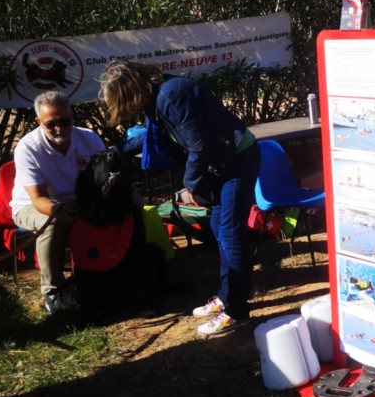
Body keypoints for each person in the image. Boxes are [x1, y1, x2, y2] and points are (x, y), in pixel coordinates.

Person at [98, 61, 261, 337]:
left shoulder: (171, 95)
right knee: (222, 232)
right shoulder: (157, 96)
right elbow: (154, 136)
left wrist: (191, 186)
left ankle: (236, 311)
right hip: (223, 163)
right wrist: (118, 151)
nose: (124, 110)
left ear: (130, 91)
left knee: (230, 235)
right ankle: (226, 295)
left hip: (237, 161)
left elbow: (200, 146)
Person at [10, 91, 105, 312]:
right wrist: (59, 210)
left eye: (64, 122)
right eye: (51, 124)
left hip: (79, 199)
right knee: (53, 222)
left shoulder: (89, 138)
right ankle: (53, 291)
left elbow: (105, 177)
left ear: (72, 116)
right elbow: (38, 198)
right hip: (33, 205)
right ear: (38, 122)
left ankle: (114, 272)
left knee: (128, 204)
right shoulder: (28, 147)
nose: (59, 129)